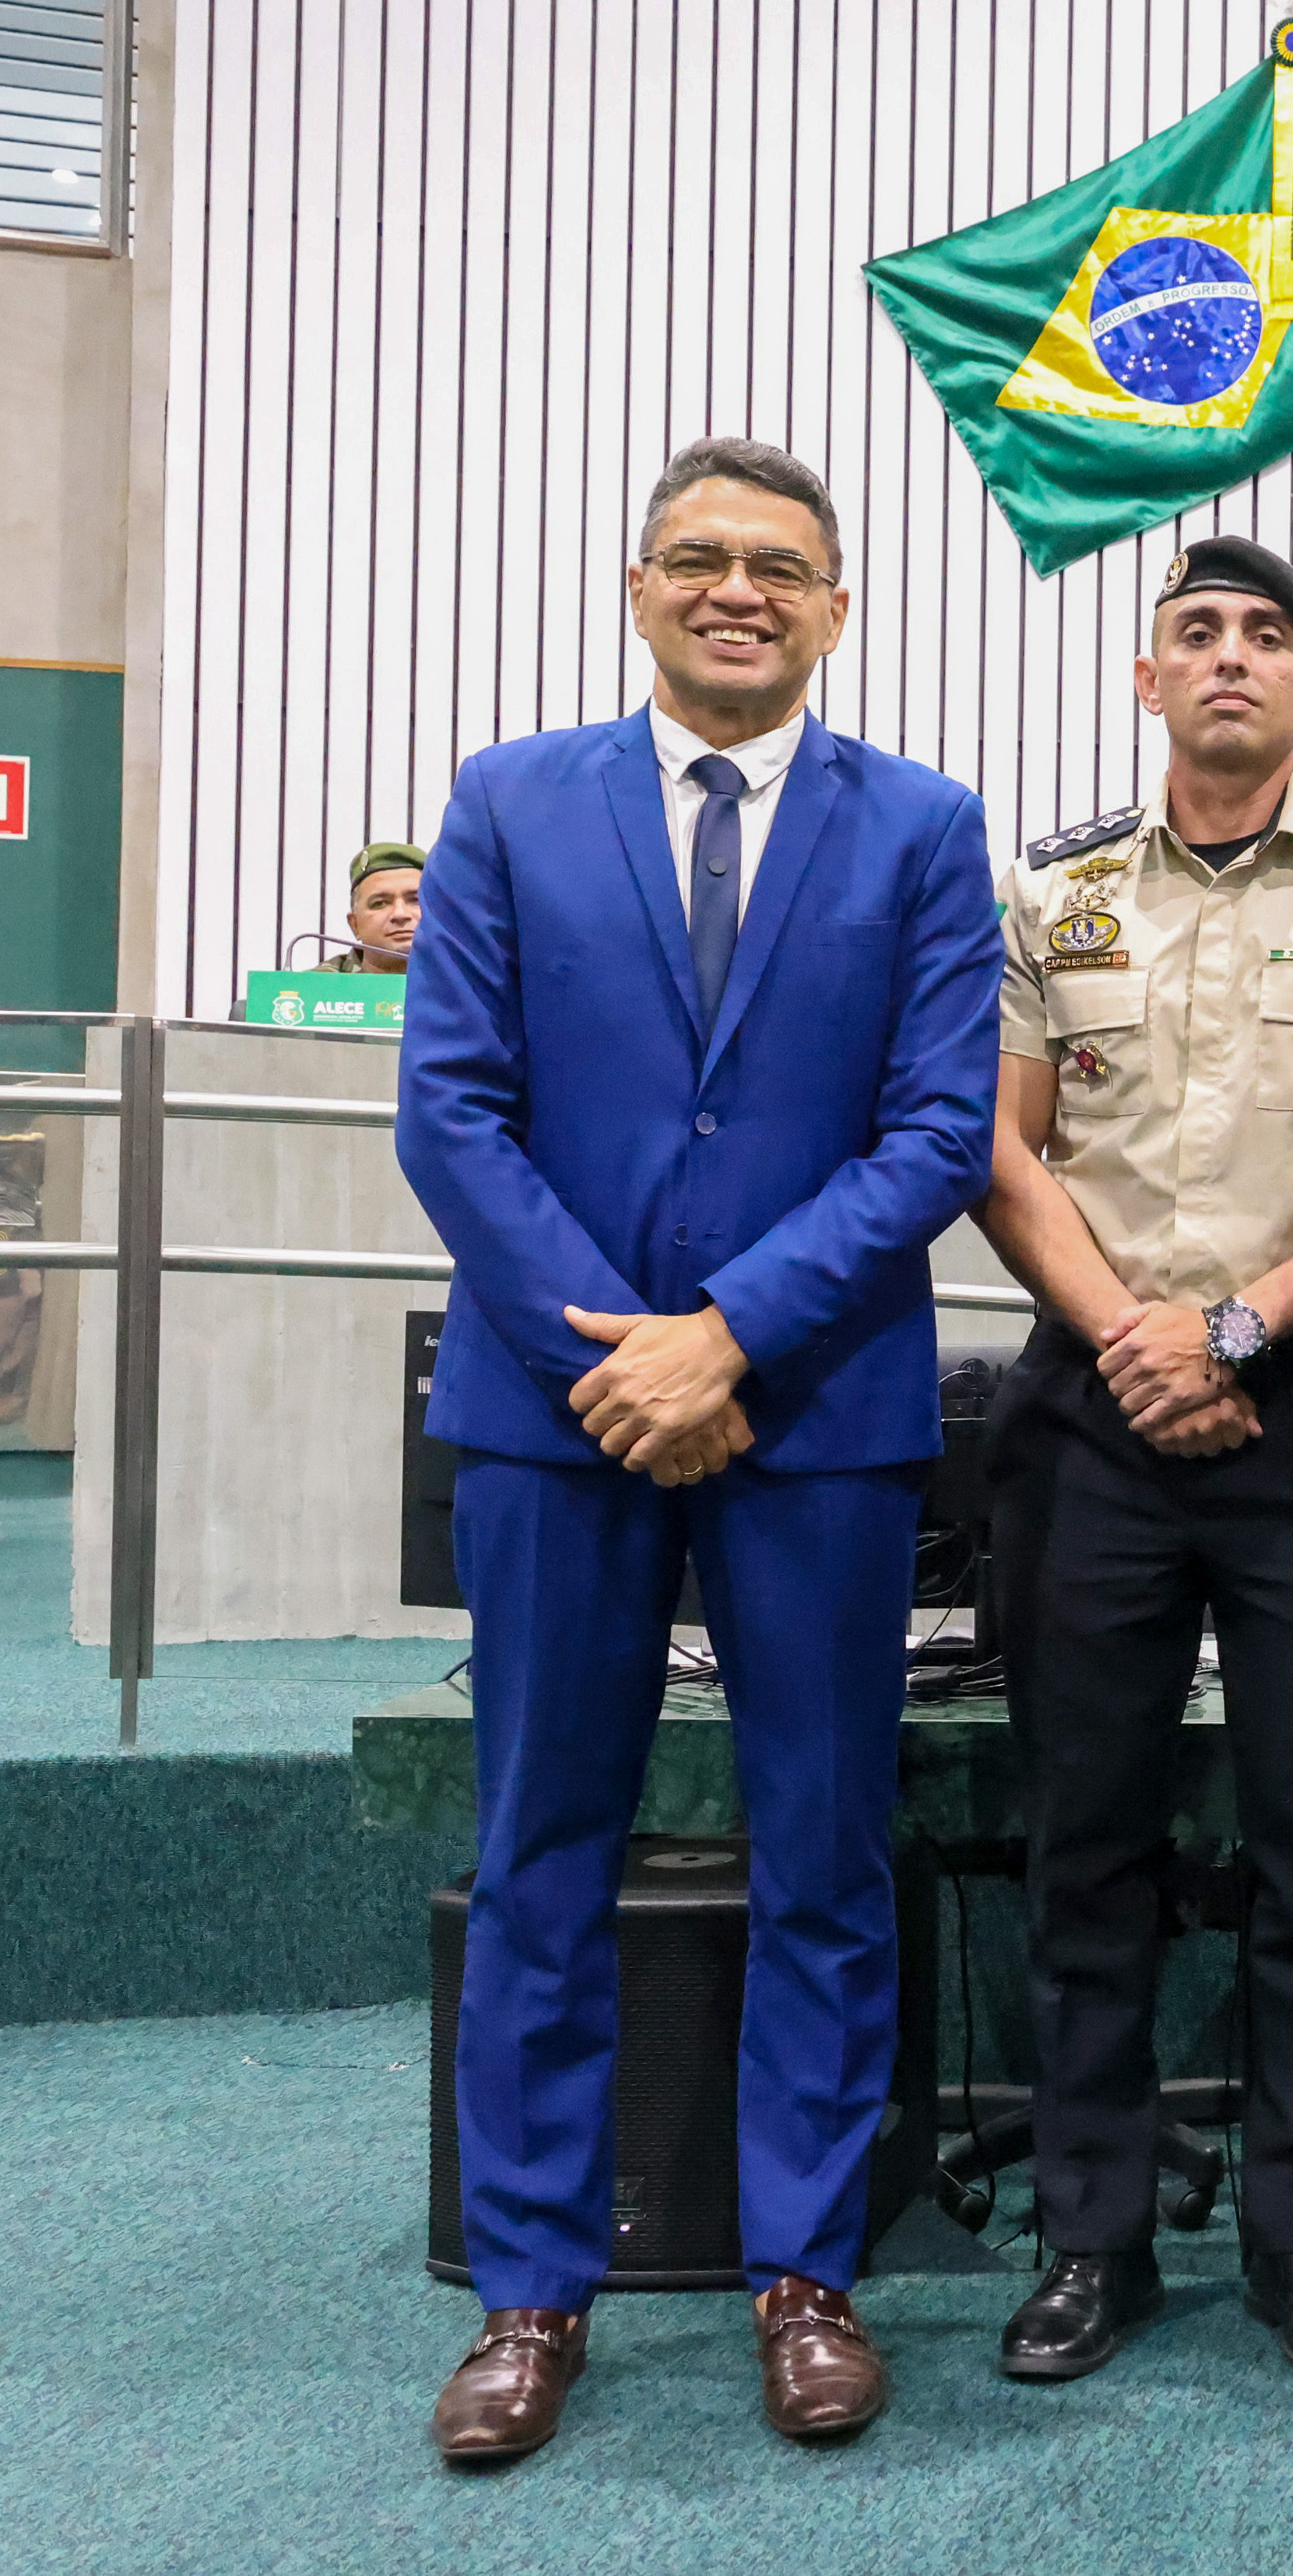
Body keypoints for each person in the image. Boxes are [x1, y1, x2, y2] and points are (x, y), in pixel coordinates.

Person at [395, 437, 1000, 2466]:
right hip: (555, 1410)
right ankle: (530, 2290)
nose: (739, 590)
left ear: (836, 607)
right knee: (539, 1853)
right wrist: (625, 1355)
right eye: (700, 558)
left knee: (823, 1852)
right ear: (638, 586)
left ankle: (805, 2274)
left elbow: (937, 1130)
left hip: (812, 1414)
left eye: (780, 567)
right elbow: (449, 1110)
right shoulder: (507, 802)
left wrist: (730, 1332)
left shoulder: (922, 827)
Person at [970, 534, 1293, 2391]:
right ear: (1146, 678)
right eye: (1195, 632)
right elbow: (1000, 1153)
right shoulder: (1052, 891)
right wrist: (1138, 1342)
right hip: (1091, 1416)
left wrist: (1234, 1332)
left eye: (1267, 637)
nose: (1229, 657)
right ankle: (1088, 2240)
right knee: (1084, 1843)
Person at [326, 842, 424, 972]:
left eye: (416, 900)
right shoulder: (316, 983)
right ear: (355, 925)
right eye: (380, 903)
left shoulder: (454, 980)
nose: (400, 914)